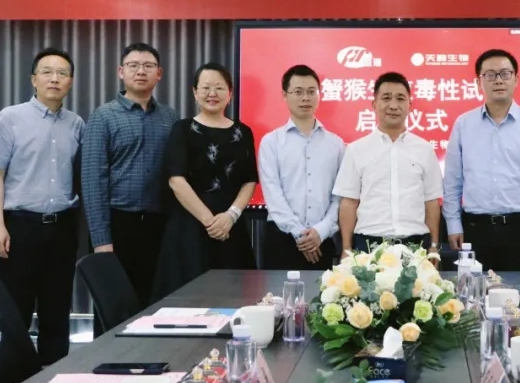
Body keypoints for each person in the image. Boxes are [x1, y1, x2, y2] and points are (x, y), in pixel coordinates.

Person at [0, 48, 84, 365]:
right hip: (20, 227)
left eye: (62, 73)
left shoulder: (76, 124)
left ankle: (53, 377)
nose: (55, 79)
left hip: (63, 228)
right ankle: (12, 381)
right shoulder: (10, 118)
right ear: (33, 79)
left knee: (57, 310)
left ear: (70, 82)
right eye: (47, 72)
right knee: (15, 310)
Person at [81, 43, 177, 315]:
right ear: (121, 72)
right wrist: (101, 240)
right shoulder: (103, 116)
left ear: (159, 73)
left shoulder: (170, 117)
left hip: (158, 226)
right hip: (117, 225)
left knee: (155, 308)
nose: (140, 71)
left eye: (148, 66)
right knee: (114, 309)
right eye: (133, 66)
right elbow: (92, 181)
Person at [443, 49, 520, 271]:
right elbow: (452, 181)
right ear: (479, 82)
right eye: (490, 75)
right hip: (475, 228)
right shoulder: (464, 124)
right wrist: (453, 224)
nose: (498, 81)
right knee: (474, 291)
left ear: (516, 79)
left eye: (505, 74)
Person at [153, 63, 257, 299]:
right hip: (190, 228)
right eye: (206, 87)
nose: (212, 93)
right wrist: (210, 222)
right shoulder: (182, 129)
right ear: (195, 92)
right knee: (188, 302)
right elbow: (176, 180)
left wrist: (230, 217)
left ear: (230, 93)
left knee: (234, 299)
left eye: (219, 88)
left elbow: (250, 180)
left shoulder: (243, 132)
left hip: (230, 228)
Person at [334, 71, 442, 256]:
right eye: (386, 98)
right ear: (374, 104)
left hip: (415, 245)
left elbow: (431, 202)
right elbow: (349, 203)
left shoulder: (424, 149)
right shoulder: (356, 150)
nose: (393, 105)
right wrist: (346, 248)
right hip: (368, 244)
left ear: (409, 105)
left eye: (400, 98)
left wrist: (433, 246)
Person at [259, 64, 345, 271]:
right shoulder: (271, 142)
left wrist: (320, 231)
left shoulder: (336, 144)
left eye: (311, 92)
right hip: (281, 239)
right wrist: (300, 234)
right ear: (284, 95)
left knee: (324, 292)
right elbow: (273, 193)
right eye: (298, 92)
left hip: (322, 241)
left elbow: (340, 196)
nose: (305, 98)